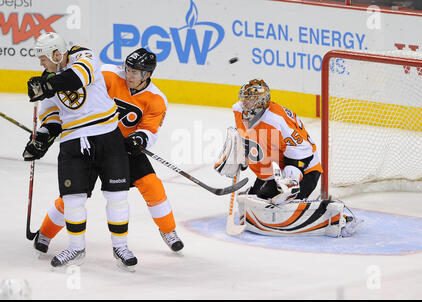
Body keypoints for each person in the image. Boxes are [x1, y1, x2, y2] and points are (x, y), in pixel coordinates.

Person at [32, 48, 184, 257]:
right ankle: (45, 234)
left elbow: (150, 129)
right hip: (95, 141)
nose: (128, 74)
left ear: (147, 75)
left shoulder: (157, 98)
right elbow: (77, 89)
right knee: (75, 194)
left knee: (152, 185)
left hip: (126, 149)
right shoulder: (108, 74)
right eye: (127, 69)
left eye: (134, 72)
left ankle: (169, 232)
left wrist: (140, 139)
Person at [24, 32, 136, 268]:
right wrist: (42, 140)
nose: (41, 63)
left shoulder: (84, 56)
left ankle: (121, 247)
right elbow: (51, 116)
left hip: (107, 136)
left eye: (43, 57)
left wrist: (47, 85)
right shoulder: (49, 77)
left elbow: (78, 77)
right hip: (73, 141)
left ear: (57, 53)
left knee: (117, 197)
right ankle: (75, 248)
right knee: (72, 199)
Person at [214, 79, 360, 237]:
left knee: (282, 204)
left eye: (248, 100)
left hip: (306, 169)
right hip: (271, 171)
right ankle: (268, 192)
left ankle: (338, 216)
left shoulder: (277, 120)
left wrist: (290, 182)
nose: (244, 103)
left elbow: (303, 149)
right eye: (243, 98)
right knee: (258, 201)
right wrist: (236, 155)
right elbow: (242, 135)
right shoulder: (239, 110)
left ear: (261, 102)